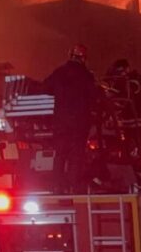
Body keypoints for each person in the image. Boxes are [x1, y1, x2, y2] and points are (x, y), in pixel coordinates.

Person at [43, 44, 101, 191]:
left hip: (61, 123)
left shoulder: (59, 72)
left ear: (70, 55)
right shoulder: (86, 75)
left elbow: (45, 88)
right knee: (76, 157)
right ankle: (74, 188)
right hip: (80, 125)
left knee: (60, 154)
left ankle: (57, 187)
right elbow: (94, 97)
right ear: (83, 58)